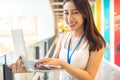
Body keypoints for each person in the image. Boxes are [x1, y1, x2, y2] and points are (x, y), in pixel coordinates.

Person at [10, 0, 106, 80]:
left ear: (85, 14)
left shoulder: (96, 42)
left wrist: (62, 64)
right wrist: (26, 67)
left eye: (75, 12)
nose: (69, 18)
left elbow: (89, 77)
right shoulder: (63, 38)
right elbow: (51, 65)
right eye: (66, 13)